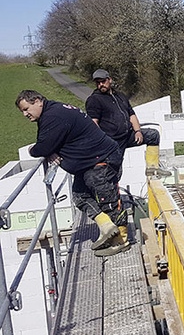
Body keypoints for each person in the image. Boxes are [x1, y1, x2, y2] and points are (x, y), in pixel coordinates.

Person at [16, 90, 129, 257]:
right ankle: (107, 227)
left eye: (26, 109)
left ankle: (121, 240)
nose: (25, 114)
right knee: (80, 197)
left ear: (38, 101)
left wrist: (36, 150)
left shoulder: (53, 116)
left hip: (101, 159)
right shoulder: (52, 111)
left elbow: (43, 146)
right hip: (91, 162)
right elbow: (48, 142)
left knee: (108, 199)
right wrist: (48, 148)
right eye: (22, 111)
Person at [85, 69, 168, 177]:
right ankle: (111, 193)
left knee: (153, 135)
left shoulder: (120, 96)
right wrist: (103, 142)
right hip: (112, 142)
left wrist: (137, 131)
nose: (101, 85)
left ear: (110, 80)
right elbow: (93, 124)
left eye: (103, 81)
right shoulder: (94, 99)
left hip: (128, 136)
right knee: (115, 174)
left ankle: (153, 169)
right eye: (98, 82)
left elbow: (131, 115)